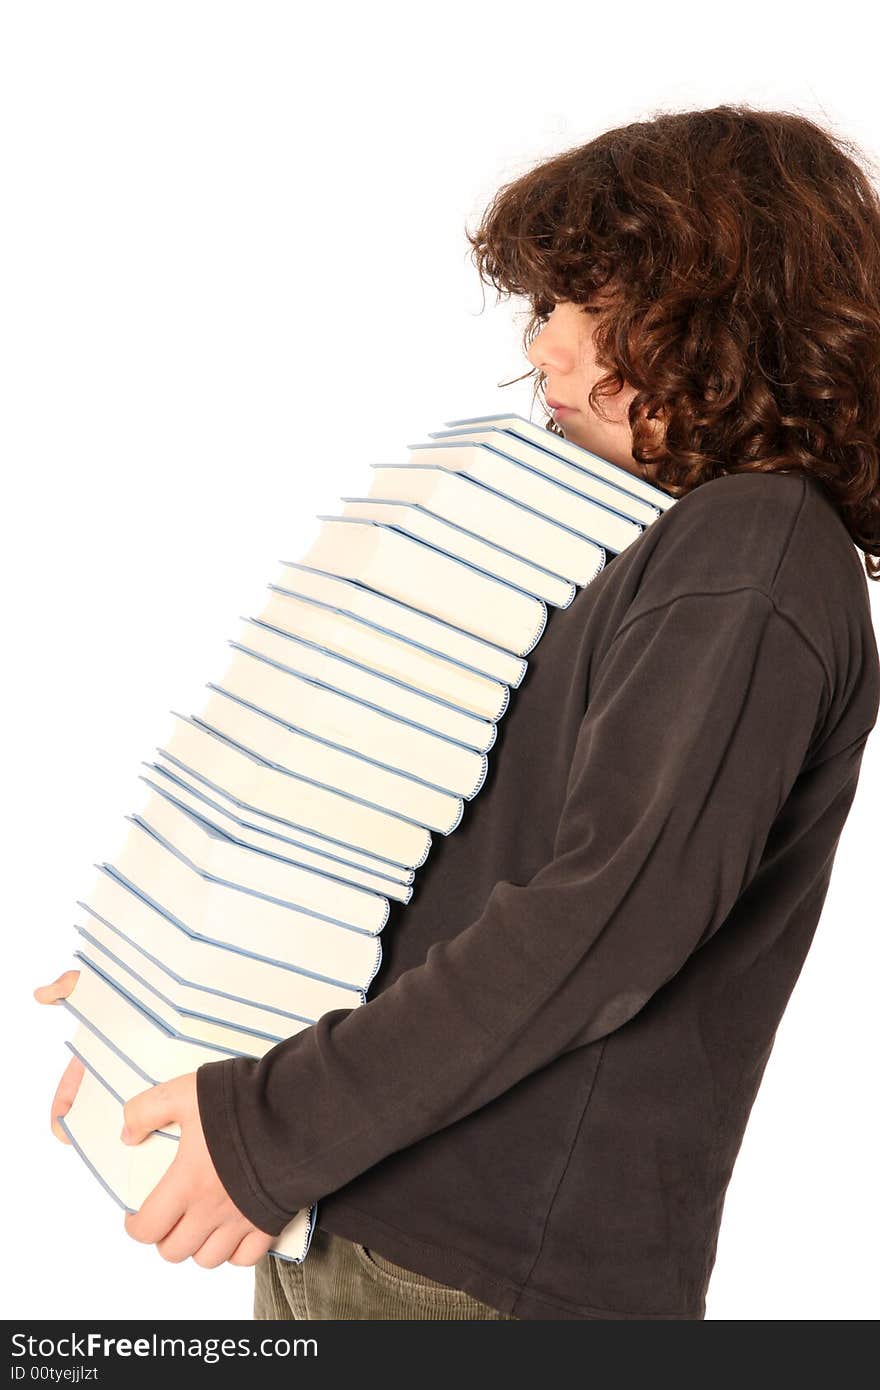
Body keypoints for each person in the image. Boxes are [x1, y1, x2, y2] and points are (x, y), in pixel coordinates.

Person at [35, 103, 880, 1321]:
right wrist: (165, 984)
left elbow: (606, 918)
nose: (552, 353)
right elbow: (436, 848)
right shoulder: (650, 545)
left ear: (738, 330)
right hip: (378, 1224)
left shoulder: (754, 546)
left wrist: (272, 1126)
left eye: (607, 314)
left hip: (472, 1268)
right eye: (551, 307)